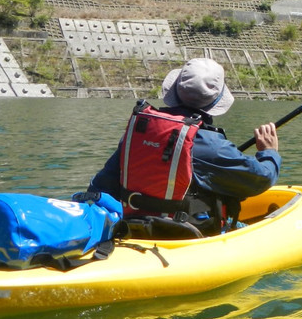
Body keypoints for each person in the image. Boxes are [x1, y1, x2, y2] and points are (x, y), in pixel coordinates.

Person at [87, 57, 281, 234]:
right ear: (215, 101)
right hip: (188, 235)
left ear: (176, 91)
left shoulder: (138, 132)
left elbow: (99, 186)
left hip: (133, 227)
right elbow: (262, 178)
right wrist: (268, 152)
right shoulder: (213, 146)